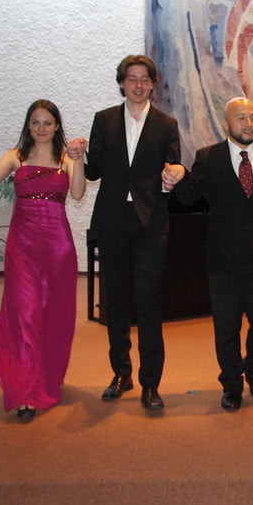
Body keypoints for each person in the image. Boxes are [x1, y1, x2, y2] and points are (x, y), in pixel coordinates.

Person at [177, 97, 253, 411]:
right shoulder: (208, 157)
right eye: (241, 118)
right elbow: (189, 197)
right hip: (223, 260)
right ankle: (232, 384)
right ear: (226, 123)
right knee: (226, 327)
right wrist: (176, 176)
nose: (249, 124)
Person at [0, 101, 86, 419]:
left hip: (57, 249)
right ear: (28, 125)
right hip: (22, 247)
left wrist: (79, 159)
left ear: (57, 126)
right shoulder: (15, 156)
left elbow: (77, 193)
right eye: (35, 122)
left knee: (54, 317)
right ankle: (24, 390)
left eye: (47, 123)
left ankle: (47, 376)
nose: (41, 128)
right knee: (24, 313)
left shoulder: (66, 158)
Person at [85, 55, 186, 411]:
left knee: (148, 302)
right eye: (132, 79)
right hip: (112, 220)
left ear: (152, 84)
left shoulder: (166, 124)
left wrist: (174, 173)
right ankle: (121, 373)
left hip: (150, 222)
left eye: (145, 79)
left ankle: (150, 383)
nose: (138, 85)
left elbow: (174, 163)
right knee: (115, 302)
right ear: (122, 82)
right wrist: (79, 155)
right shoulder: (104, 120)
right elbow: (94, 172)